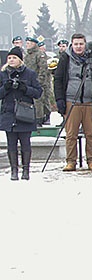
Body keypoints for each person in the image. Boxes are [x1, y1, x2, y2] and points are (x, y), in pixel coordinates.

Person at [53, 33, 92, 171]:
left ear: (85, 44)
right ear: (72, 45)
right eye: (76, 44)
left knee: (91, 134)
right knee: (71, 134)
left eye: (81, 44)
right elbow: (58, 80)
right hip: (71, 101)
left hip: (88, 101)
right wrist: (59, 99)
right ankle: (71, 161)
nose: (79, 47)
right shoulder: (65, 59)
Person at [1, 46, 43, 180]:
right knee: (11, 143)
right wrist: (5, 87)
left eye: (14, 58)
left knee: (25, 143)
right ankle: (14, 170)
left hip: (25, 113)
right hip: (9, 113)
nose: (11, 60)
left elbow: (38, 92)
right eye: (9, 58)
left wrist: (25, 88)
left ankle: (26, 170)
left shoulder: (29, 74)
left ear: (20, 60)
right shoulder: (2, 74)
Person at [23, 36, 52, 125]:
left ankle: (41, 118)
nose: (26, 45)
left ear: (33, 44)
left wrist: (39, 81)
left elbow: (43, 69)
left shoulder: (40, 55)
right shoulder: (27, 56)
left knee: (40, 100)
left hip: (39, 82)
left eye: (28, 43)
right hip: (29, 81)